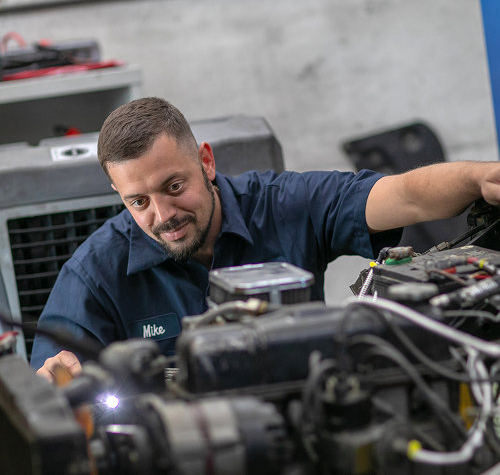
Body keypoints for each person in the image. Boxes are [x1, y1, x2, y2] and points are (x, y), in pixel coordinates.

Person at [33, 97, 500, 382]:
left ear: (206, 162)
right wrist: (59, 377)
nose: (162, 215)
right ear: (119, 196)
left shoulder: (282, 204)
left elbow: (407, 197)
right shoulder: (94, 274)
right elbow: (51, 377)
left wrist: (481, 178)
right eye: (139, 202)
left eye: (174, 187)